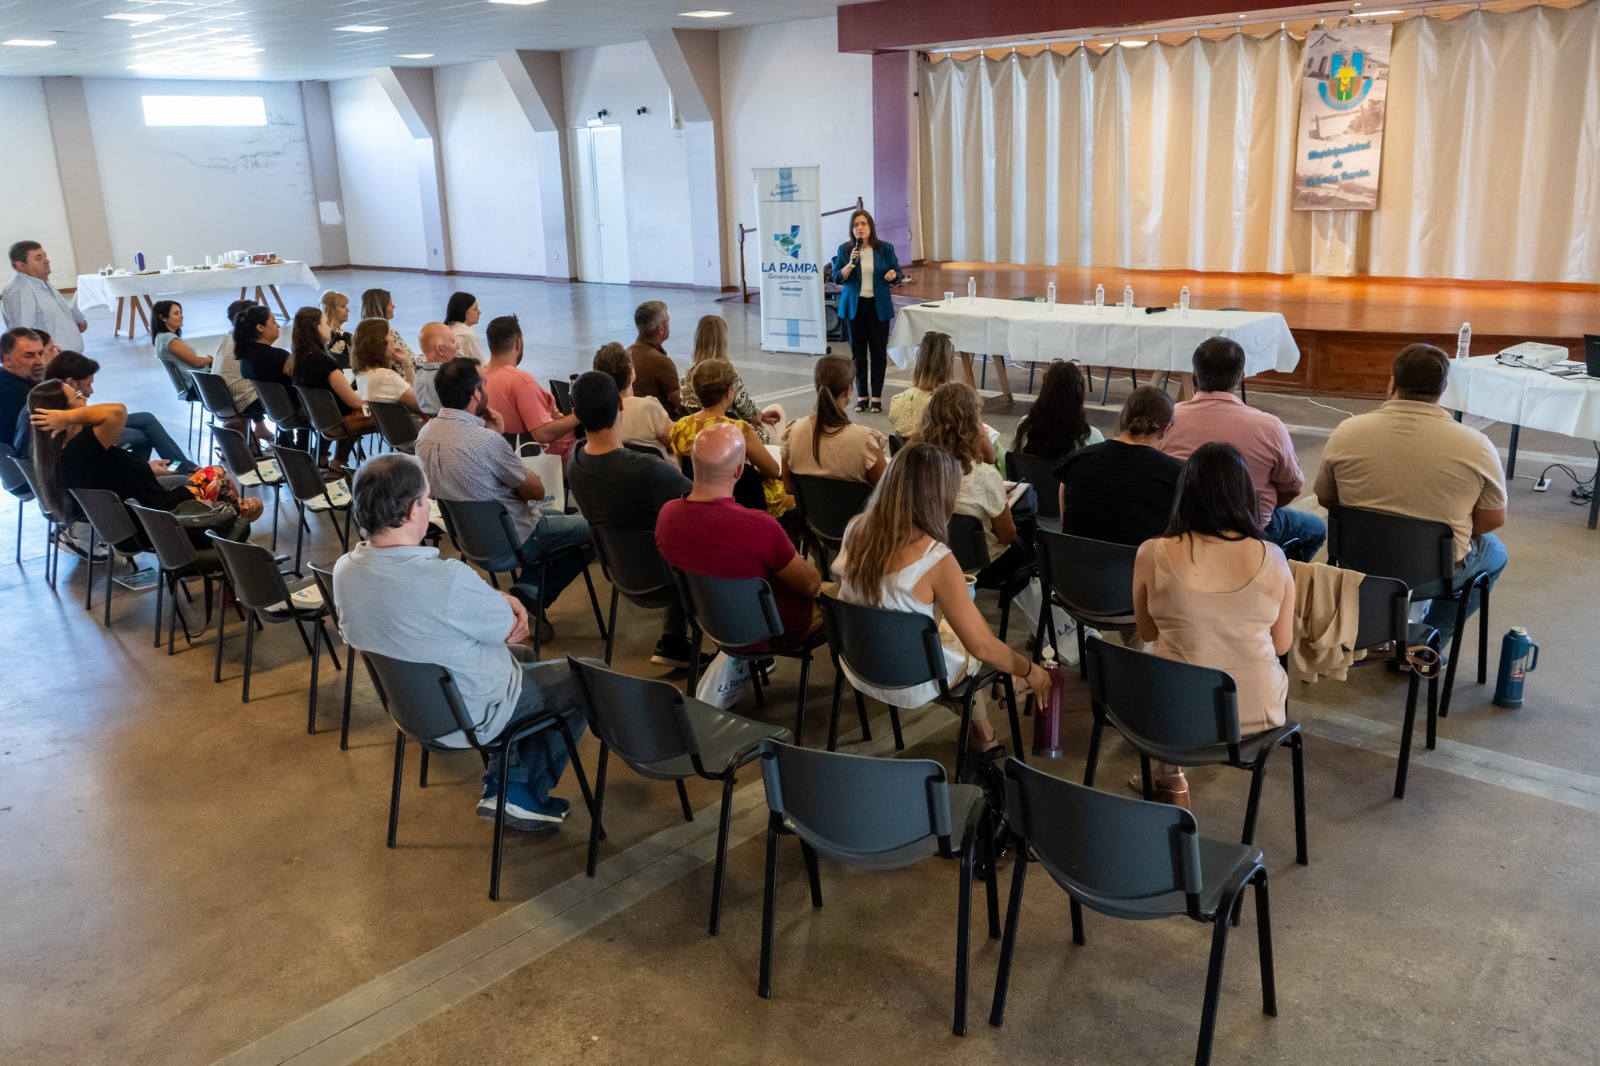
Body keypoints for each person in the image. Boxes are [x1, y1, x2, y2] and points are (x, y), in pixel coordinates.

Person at [335, 453, 588, 829]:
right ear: (411, 509)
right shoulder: (447, 579)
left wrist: (498, 604)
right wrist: (509, 599)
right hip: (472, 714)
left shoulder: (344, 571)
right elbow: (508, 626)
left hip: (414, 710)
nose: (430, 506)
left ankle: (511, 773)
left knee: (523, 656)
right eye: (426, 499)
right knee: (586, 679)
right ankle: (516, 793)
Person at [833, 442, 1052, 754]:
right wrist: (1030, 670)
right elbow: (982, 647)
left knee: (955, 625)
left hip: (859, 661)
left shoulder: (855, 529)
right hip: (913, 677)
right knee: (974, 639)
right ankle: (995, 712)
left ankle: (989, 719)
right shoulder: (936, 560)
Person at [1132, 442, 1294, 808]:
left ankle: (1171, 777)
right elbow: (1282, 645)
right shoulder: (1274, 556)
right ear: (1244, 495)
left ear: (1185, 492)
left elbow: (1147, 632)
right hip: (1255, 714)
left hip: (1175, 715)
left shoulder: (1151, 552)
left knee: (1161, 656)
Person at [1314, 343, 1508, 647]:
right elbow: (1491, 520)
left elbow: (1326, 500)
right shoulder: (1477, 445)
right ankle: (1427, 645)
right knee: (1495, 553)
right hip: (1433, 573)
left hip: (1356, 560)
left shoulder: (1347, 431)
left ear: (1392, 380)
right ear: (1444, 387)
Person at [415, 357, 595, 629]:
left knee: (555, 516)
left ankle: (529, 587)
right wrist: (497, 439)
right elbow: (535, 491)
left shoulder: (425, 435)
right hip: (515, 539)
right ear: (476, 393)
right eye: (483, 383)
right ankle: (530, 593)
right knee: (593, 530)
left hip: (468, 540)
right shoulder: (485, 442)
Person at [565, 370, 695, 668]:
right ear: (621, 405)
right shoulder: (649, 470)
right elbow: (699, 501)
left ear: (575, 413)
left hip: (622, 572)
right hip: (668, 579)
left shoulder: (575, 461)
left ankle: (673, 640)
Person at [656, 422, 821, 650]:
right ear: (739, 471)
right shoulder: (760, 525)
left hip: (710, 624)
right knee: (840, 599)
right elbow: (810, 585)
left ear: (693, 464)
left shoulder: (667, 516)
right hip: (774, 631)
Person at [27, 380, 259, 541]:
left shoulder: (56, 453)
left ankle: (229, 513)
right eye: (76, 396)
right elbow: (117, 412)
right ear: (59, 413)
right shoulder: (84, 446)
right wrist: (67, 417)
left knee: (204, 483)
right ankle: (235, 515)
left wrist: (145, 468)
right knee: (216, 473)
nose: (84, 398)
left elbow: (107, 475)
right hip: (159, 513)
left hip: (133, 520)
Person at [1161, 338, 1324, 560]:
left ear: (1194, 378)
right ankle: (1282, 577)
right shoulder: (1269, 426)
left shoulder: (1167, 420)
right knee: (1317, 529)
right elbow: (1292, 488)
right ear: (1241, 377)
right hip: (1252, 530)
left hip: (1184, 526)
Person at [914, 382, 1033, 584]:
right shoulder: (984, 476)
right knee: (1026, 528)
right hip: (981, 565)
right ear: (972, 423)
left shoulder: (913, 466)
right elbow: (1006, 536)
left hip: (928, 556)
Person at [1054, 386, 1184, 547]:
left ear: (1123, 417)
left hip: (1078, 567)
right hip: (1139, 569)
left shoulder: (1075, 462)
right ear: (1166, 430)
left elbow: (1066, 529)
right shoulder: (1178, 475)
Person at [671, 359, 790, 516]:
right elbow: (773, 470)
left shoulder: (680, 427)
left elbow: (685, 469)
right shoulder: (739, 430)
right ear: (729, 393)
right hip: (745, 503)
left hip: (701, 501)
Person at [44, 350, 196, 472]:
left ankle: (179, 466)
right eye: (88, 385)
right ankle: (167, 470)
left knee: (146, 419)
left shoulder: (52, 392)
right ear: (71, 383)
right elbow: (114, 413)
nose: (91, 391)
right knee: (143, 437)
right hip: (88, 434)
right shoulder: (64, 409)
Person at [830, 209, 901, 412]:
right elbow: (837, 277)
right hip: (855, 307)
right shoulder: (845, 250)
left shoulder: (885, 249)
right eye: (856, 225)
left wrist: (892, 275)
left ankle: (876, 397)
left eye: (863, 224)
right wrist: (851, 264)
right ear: (852, 229)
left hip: (877, 307)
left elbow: (897, 272)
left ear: (870, 227)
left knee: (878, 353)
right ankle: (862, 395)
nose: (859, 228)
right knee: (858, 355)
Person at [780, 354, 887, 488]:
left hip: (810, 509)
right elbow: (887, 494)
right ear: (848, 390)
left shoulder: (793, 432)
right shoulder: (865, 441)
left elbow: (789, 487)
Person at [290, 305, 371, 476]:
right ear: (315, 327)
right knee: (384, 412)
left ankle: (337, 461)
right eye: (326, 323)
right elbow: (354, 402)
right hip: (340, 424)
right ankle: (340, 461)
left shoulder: (297, 361)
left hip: (321, 422)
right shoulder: (325, 364)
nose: (330, 328)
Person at [481, 315, 578, 455]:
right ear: (518, 343)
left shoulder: (480, 377)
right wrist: (579, 416)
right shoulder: (520, 381)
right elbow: (542, 433)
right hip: (552, 462)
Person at [678, 315, 783, 442]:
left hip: (698, 435)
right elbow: (750, 413)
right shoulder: (728, 377)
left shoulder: (684, 377)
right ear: (723, 342)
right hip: (732, 435)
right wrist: (760, 415)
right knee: (778, 411)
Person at [592, 342, 672, 457]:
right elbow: (678, 442)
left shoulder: (595, 415)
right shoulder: (648, 407)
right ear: (632, 371)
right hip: (658, 473)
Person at [1012, 360, 1103, 460]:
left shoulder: (1025, 426)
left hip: (1032, 475)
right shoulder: (1091, 437)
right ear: (1079, 397)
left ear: (1044, 393)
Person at [212, 299, 273, 447]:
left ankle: (260, 427)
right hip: (241, 401)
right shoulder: (249, 343)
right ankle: (289, 445)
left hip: (220, 398)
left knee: (250, 383)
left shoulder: (226, 339)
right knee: (284, 396)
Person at [2, 241, 87, 344]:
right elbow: (23, 337)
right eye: (39, 258)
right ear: (21, 266)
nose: (46, 261)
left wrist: (72, 324)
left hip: (65, 357)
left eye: (45, 256)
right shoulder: (20, 291)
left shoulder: (42, 283)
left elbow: (50, 319)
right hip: (50, 359)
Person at [351, 318, 423, 417]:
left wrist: (406, 362)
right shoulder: (386, 377)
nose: (394, 339)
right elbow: (422, 406)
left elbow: (409, 393)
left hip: (393, 430)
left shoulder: (362, 374)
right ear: (380, 343)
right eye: (390, 334)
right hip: (413, 429)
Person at [889, 330, 953, 438]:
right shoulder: (951, 403)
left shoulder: (897, 400)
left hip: (907, 454)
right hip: (937, 454)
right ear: (949, 362)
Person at [626, 300, 683, 418]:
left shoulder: (626, 353)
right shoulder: (661, 362)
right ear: (661, 329)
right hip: (659, 425)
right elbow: (682, 406)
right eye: (668, 321)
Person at [150, 300, 213, 399]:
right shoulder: (169, 340)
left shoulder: (160, 337)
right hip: (196, 386)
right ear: (163, 318)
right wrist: (211, 358)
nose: (181, 316)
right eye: (176, 313)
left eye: (181, 313)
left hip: (190, 386)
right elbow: (196, 362)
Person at [2, 326, 46, 453]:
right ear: (7, 360)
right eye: (29, 356)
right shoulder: (19, 395)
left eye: (41, 353)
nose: (40, 362)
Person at [360, 288, 418, 365]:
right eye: (390, 304)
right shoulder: (389, 334)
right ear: (381, 308)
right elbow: (413, 360)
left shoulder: (360, 334)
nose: (394, 306)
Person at [412, 322, 459, 417]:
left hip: (430, 429)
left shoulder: (419, 377)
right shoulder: (452, 378)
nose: (458, 346)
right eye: (453, 342)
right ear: (440, 350)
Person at [445, 291, 485, 363]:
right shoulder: (467, 335)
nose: (479, 312)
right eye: (475, 309)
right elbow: (481, 364)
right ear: (464, 312)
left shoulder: (448, 329)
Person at [321, 291, 353, 368]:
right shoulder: (343, 336)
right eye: (343, 306)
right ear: (332, 310)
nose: (348, 310)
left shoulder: (319, 334)